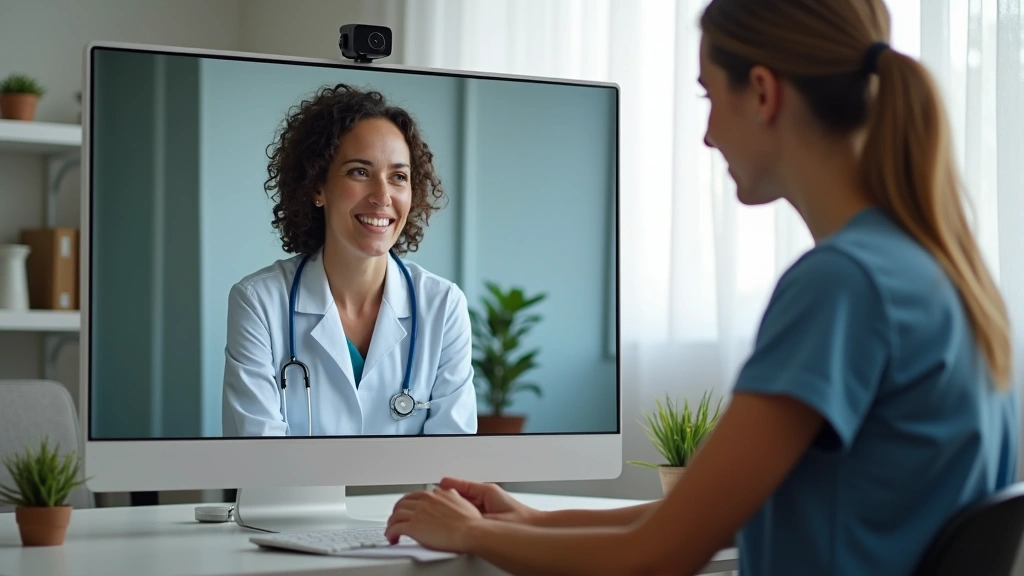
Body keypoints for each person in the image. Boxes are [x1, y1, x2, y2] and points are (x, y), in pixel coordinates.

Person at [382, 0, 1020, 574]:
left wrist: (472, 537)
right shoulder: (936, 274)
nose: (710, 134)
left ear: (764, 93)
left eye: (709, 97)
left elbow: (660, 556)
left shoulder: (844, 286)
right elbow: (700, 517)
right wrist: (529, 520)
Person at [222, 84, 477, 437]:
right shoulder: (260, 302)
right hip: (294, 495)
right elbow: (258, 456)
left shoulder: (443, 305)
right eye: (359, 172)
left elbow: (453, 461)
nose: (382, 196)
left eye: (398, 177)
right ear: (317, 187)